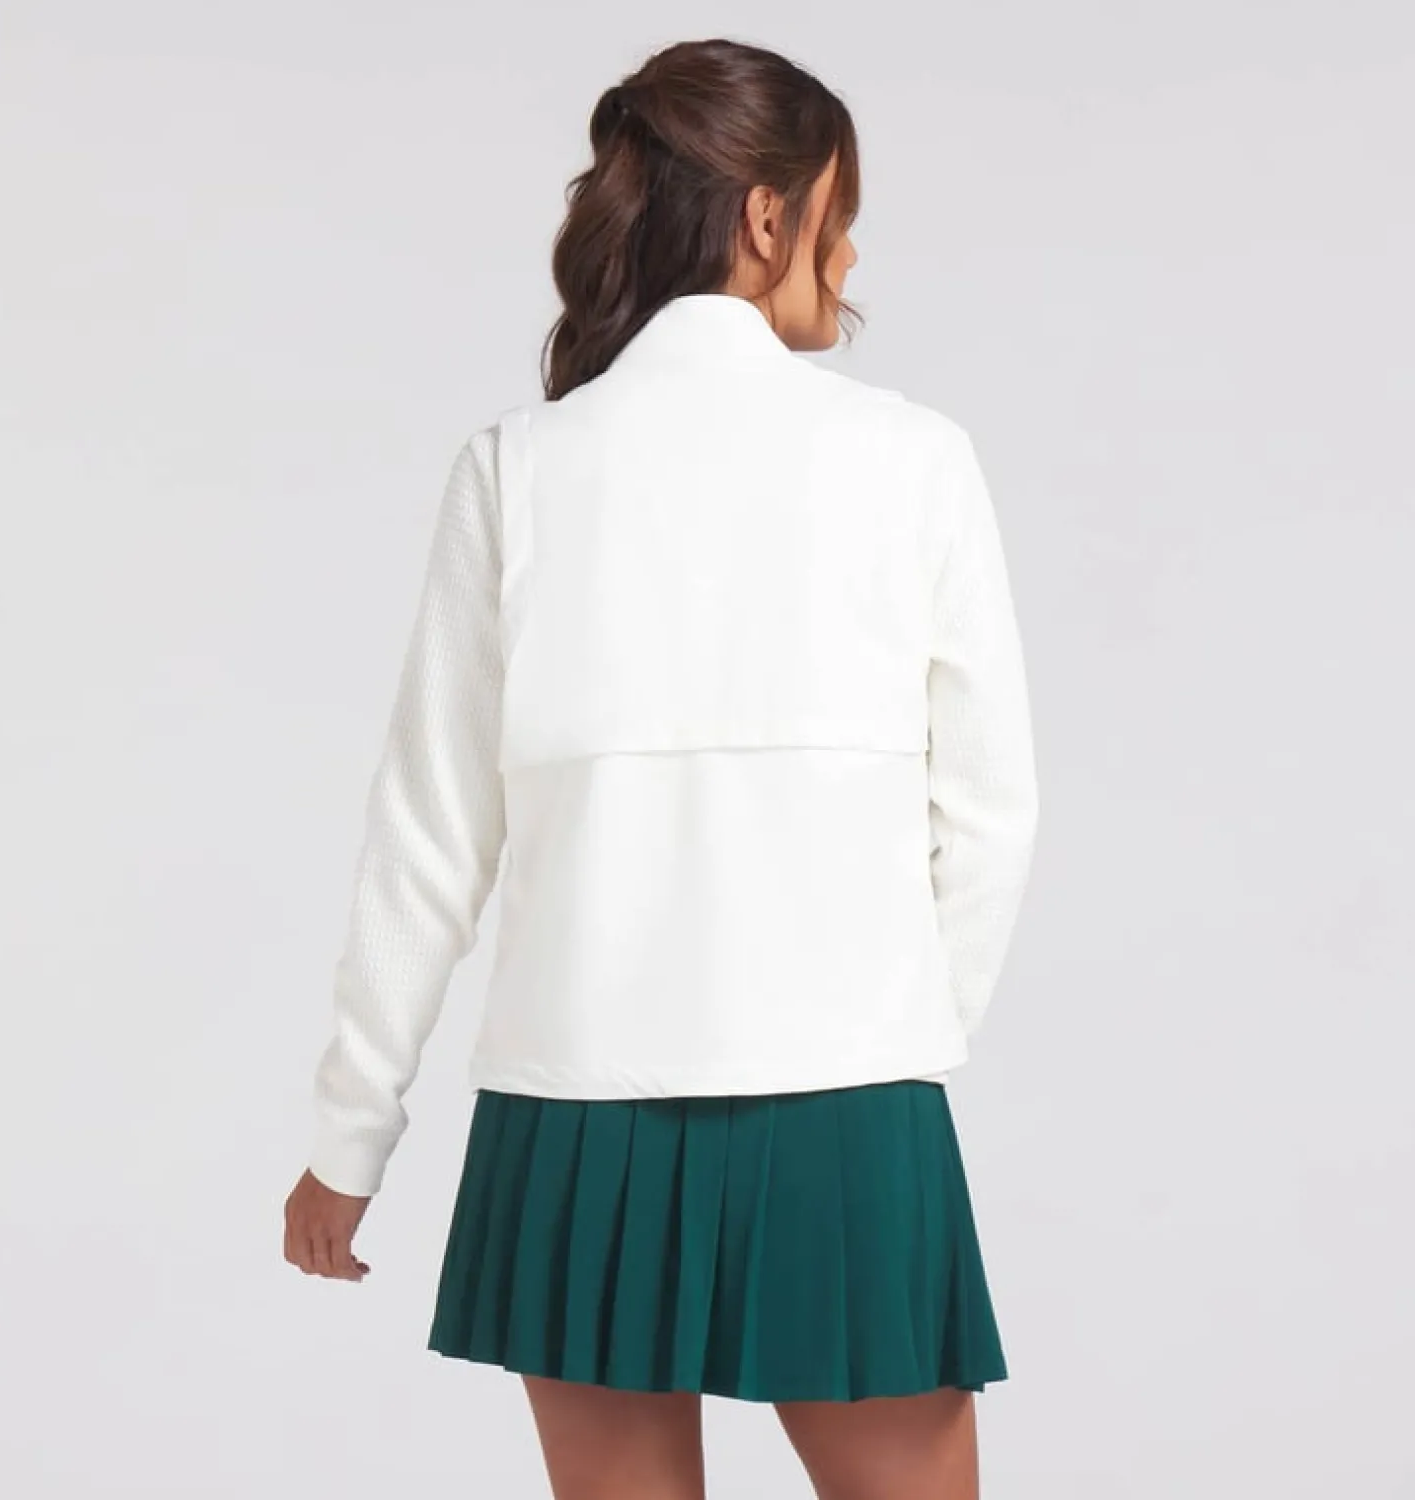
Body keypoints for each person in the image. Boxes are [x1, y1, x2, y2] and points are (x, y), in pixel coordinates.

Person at [282, 35, 1039, 1500]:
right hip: (843, 1105)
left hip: (570, 1114)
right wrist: (882, 1020)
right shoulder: (914, 458)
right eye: (838, 213)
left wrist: (347, 1137)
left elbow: (426, 839)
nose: (851, 251)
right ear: (766, 215)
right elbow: (992, 813)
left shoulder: (518, 466)